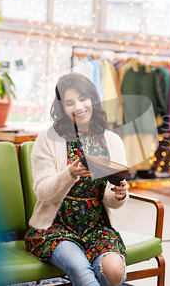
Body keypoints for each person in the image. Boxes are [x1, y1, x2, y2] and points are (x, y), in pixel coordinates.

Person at [25, 72, 129, 286]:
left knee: (114, 272)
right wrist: (69, 174)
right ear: (61, 107)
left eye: (83, 98)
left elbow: (110, 200)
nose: (79, 107)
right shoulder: (47, 139)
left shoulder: (112, 140)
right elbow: (43, 193)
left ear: (93, 99)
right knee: (79, 268)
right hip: (55, 227)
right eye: (70, 102)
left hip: (97, 226)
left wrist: (119, 195)